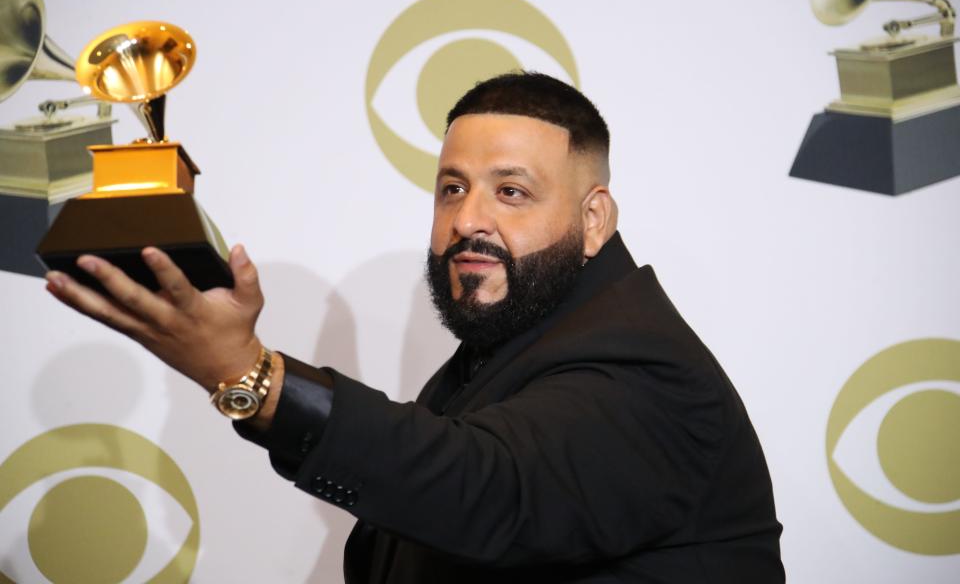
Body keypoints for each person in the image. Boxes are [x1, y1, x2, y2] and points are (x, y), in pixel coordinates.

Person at [46, 72, 785, 583]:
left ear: (594, 219)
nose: (467, 220)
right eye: (452, 189)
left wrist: (252, 377)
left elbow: (485, 488)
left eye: (512, 192)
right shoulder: (493, 365)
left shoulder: (645, 368)